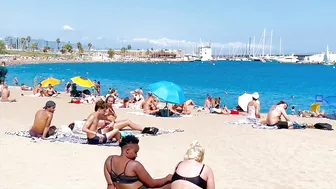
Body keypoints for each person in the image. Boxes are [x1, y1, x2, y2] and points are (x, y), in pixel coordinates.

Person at [104, 135, 172, 189]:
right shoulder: (134, 165)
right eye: (135, 152)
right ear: (127, 150)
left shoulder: (109, 160)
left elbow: (110, 185)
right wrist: (167, 178)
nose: (136, 155)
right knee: (171, 185)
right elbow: (152, 184)